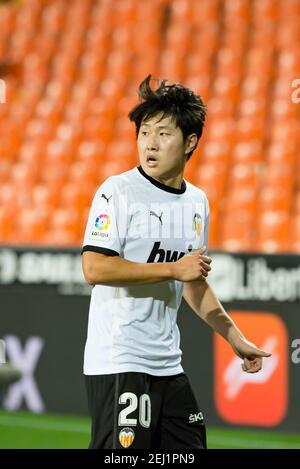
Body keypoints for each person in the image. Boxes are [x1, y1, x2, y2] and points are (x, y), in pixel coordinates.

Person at [81, 75, 271, 450]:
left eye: (163, 133)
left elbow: (194, 283)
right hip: (121, 360)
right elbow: (95, 269)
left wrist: (235, 337)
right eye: (144, 131)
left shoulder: (197, 202)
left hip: (168, 364)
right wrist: (174, 269)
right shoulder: (117, 191)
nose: (149, 142)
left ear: (190, 143)